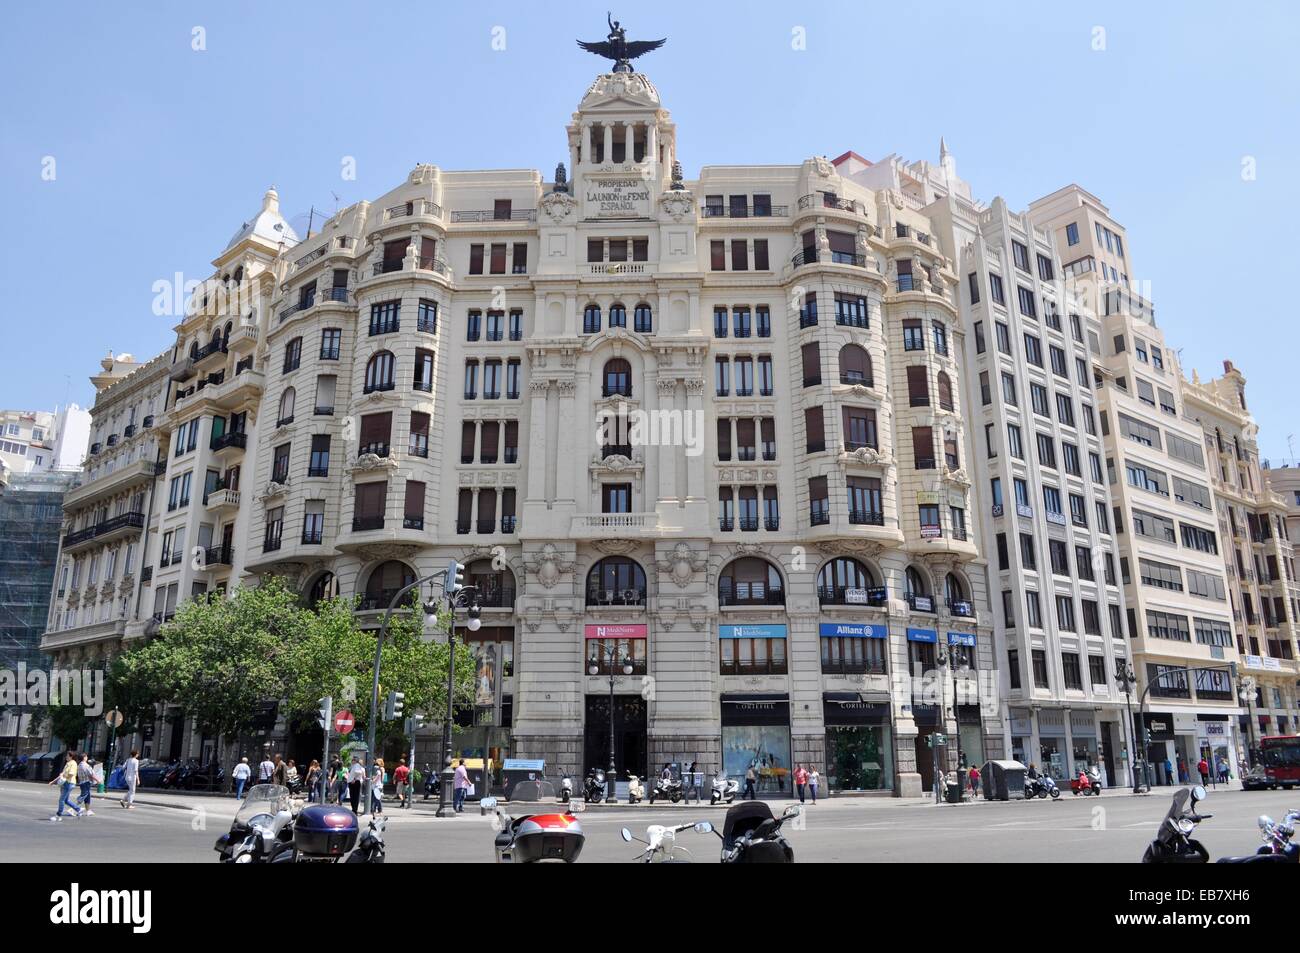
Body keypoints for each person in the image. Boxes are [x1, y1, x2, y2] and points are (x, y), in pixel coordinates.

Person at [48, 752, 82, 821]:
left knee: (61, 800)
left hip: (69, 783)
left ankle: (58, 815)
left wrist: (63, 777)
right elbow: (62, 774)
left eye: (67, 756)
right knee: (65, 800)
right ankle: (78, 809)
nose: (66, 757)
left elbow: (71, 774)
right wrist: (53, 781)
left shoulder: (73, 763)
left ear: (71, 756)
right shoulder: (68, 764)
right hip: (66, 783)